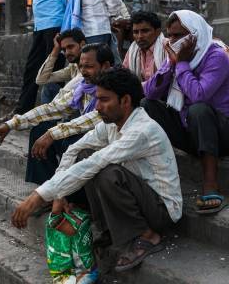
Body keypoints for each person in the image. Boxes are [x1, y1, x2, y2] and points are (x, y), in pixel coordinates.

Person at [11, 67, 182, 273]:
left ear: (125, 101)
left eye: (104, 100)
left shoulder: (142, 130)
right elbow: (75, 149)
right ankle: (111, 231)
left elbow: (97, 162)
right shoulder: (111, 124)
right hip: (139, 197)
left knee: (107, 172)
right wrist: (58, 195)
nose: (98, 107)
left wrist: (37, 197)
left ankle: (147, 235)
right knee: (84, 154)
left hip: (162, 210)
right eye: (97, 99)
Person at [141, 10, 229, 215]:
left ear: (195, 34)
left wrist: (182, 64)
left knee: (199, 109)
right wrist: (171, 65)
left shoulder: (216, 56)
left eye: (179, 35)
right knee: (147, 105)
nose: (172, 40)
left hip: (226, 134)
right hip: (191, 130)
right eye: (170, 35)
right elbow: (150, 92)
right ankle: (158, 176)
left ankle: (211, 184)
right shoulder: (175, 59)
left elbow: (198, 95)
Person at [0, 43, 114, 185]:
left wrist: (52, 134)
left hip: (107, 143)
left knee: (67, 140)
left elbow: (93, 119)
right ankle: (45, 189)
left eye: (89, 67)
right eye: (81, 67)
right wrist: (10, 124)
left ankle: (68, 196)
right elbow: (52, 108)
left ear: (105, 66)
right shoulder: (84, 87)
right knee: (39, 130)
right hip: (90, 136)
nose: (83, 72)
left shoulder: (115, 89)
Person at [13, 0, 73, 115]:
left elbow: (69, 2)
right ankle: (22, 111)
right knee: (32, 69)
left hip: (55, 28)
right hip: (39, 27)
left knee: (54, 72)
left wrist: (65, 32)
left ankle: (53, 113)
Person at [37, 28, 85, 104]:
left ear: (82, 45)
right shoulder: (73, 67)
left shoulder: (88, 69)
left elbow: (62, 96)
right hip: (69, 108)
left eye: (70, 47)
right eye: (64, 49)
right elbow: (41, 79)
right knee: (48, 86)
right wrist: (56, 50)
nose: (67, 52)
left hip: (84, 112)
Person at [122, 11, 167, 85]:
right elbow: (124, 75)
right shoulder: (132, 50)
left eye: (145, 31)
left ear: (157, 32)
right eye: (136, 32)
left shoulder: (167, 48)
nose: (140, 36)